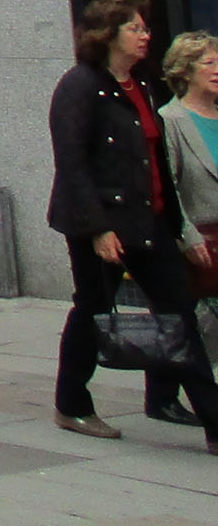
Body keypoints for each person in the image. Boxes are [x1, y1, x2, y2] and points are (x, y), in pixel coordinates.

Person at [50, 0, 218, 442]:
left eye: (145, 28)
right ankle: (71, 404)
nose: (146, 36)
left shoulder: (140, 84)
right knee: (93, 310)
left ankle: (213, 421)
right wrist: (97, 228)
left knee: (180, 315)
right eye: (135, 28)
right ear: (109, 35)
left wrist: (179, 228)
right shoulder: (80, 85)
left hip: (150, 220)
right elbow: (72, 163)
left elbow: (155, 160)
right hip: (103, 223)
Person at [160, 28, 218, 428]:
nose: (217, 70)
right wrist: (187, 236)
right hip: (203, 239)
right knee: (199, 322)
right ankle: (174, 393)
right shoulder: (172, 120)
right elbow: (170, 187)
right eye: (209, 63)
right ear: (185, 70)